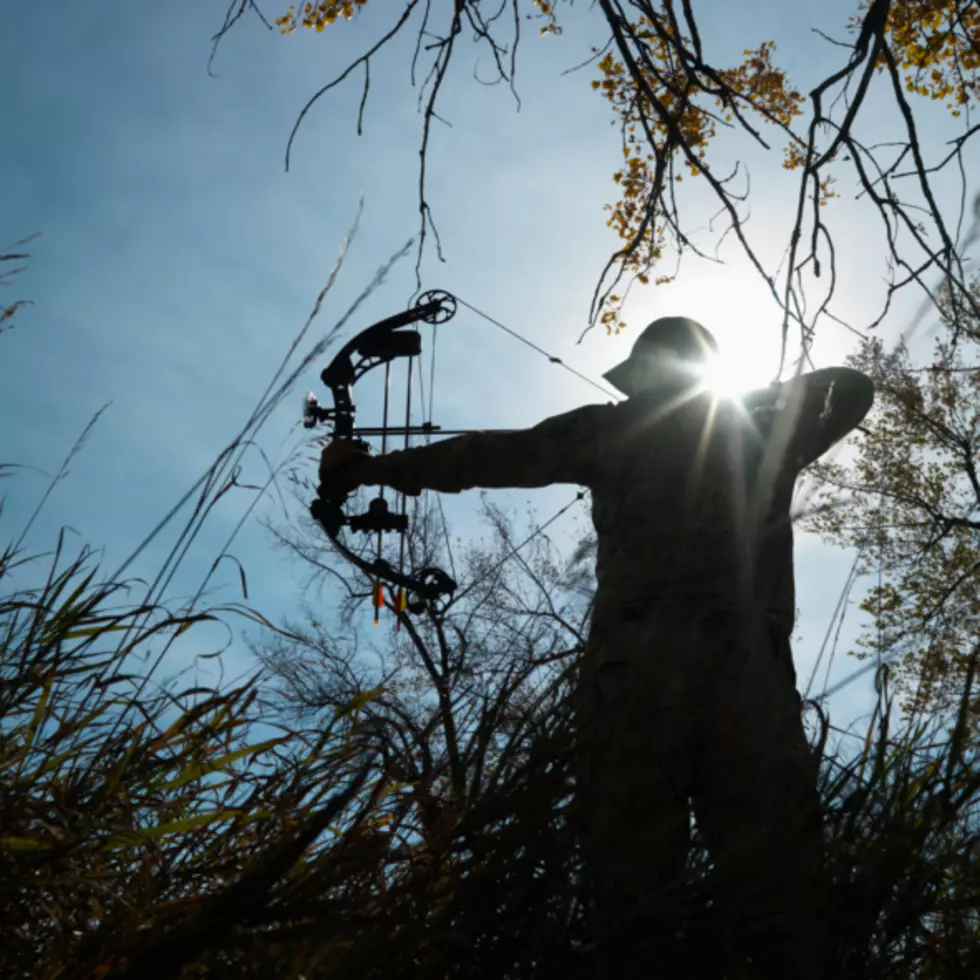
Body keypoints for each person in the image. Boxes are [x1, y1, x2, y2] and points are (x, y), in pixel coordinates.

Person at [317, 316, 875, 977]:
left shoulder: (673, 430)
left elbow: (851, 386)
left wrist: (368, 469)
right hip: (725, 667)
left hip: (665, 666)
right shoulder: (719, 431)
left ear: (644, 378)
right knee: (729, 880)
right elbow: (848, 389)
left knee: (688, 880)